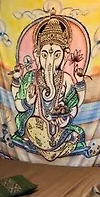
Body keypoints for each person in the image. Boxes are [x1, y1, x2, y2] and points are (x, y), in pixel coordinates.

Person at [9, 10, 90, 161]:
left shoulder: (66, 79)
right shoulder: (30, 77)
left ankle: (49, 150)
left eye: (56, 55)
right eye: (45, 55)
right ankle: (54, 149)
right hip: (36, 126)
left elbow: (74, 105)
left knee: (76, 133)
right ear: (37, 55)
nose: (50, 60)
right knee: (32, 124)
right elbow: (19, 106)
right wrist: (28, 102)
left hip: (58, 128)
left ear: (65, 56)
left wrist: (65, 118)